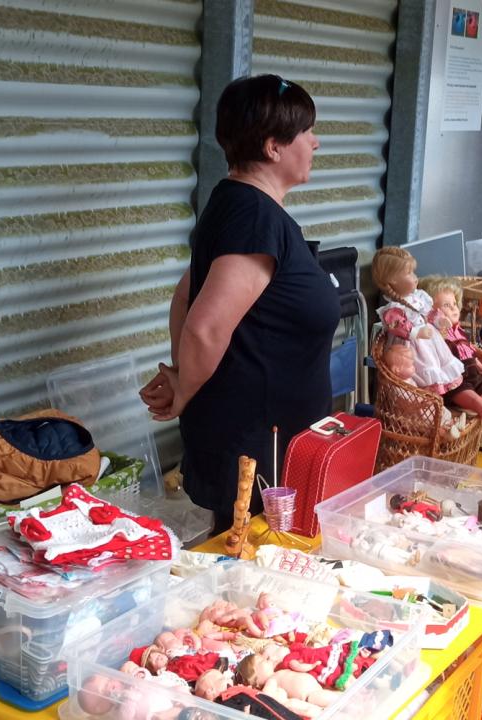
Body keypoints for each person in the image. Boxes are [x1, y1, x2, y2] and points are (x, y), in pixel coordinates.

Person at [140, 75, 338, 533]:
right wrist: (186, 390)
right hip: (257, 451)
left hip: (258, 440)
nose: (315, 142)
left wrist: (181, 373)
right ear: (273, 147)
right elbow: (205, 326)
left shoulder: (237, 204)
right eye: (306, 132)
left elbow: (186, 296)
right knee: (249, 569)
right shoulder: (253, 215)